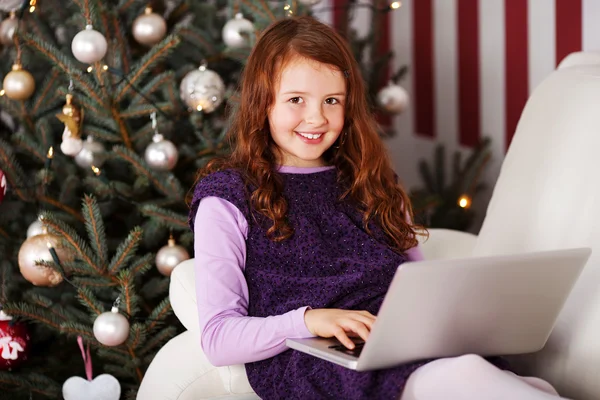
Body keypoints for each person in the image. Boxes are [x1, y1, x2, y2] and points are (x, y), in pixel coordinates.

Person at [188, 15, 564, 400]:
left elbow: (419, 289)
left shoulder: (372, 183)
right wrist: (309, 320)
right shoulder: (227, 196)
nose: (317, 118)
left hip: (401, 343)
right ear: (261, 101)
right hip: (317, 357)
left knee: (519, 383)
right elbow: (218, 337)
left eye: (332, 100)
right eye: (296, 100)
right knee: (465, 377)